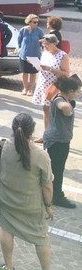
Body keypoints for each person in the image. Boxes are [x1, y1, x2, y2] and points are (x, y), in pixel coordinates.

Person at [0, 113, 61, 270]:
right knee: (41, 238)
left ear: (13, 128)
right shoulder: (41, 155)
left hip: (6, 199)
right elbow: (47, 186)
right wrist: (48, 206)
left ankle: (9, 266)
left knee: (6, 230)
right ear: (32, 131)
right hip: (32, 205)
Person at [44, 75, 80, 209]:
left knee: (55, 169)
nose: (77, 94)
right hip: (58, 141)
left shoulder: (62, 97)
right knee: (57, 170)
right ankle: (56, 196)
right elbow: (63, 106)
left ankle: (51, 193)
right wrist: (68, 108)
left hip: (57, 139)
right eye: (77, 91)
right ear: (70, 91)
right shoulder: (60, 100)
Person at [32, 34, 70, 134]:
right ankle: (47, 134)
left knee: (53, 112)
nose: (44, 47)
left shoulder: (62, 55)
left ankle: (52, 134)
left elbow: (66, 73)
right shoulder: (45, 52)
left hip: (54, 87)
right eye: (43, 45)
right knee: (45, 110)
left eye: (46, 45)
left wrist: (50, 69)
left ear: (53, 43)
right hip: (43, 84)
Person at [18, 14, 44, 96]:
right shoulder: (23, 30)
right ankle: (25, 88)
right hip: (24, 54)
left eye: (37, 22)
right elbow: (19, 41)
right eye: (34, 22)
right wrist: (19, 49)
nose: (36, 24)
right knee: (24, 72)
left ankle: (30, 89)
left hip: (35, 54)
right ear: (29, 22)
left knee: (33, 73)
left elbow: (42, 41)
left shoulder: (39, 31)